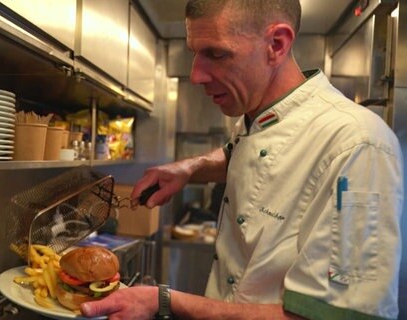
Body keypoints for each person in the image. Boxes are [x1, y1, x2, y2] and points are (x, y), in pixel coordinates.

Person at [80, 0, 404, 319]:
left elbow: (336, 317)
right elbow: (248, 157)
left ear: (276, 44)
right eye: (195, 53)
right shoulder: (255, 116)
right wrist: (189, 168)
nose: (196, 76)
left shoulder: (358, 145)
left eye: (216, 54)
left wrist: (165, 301)